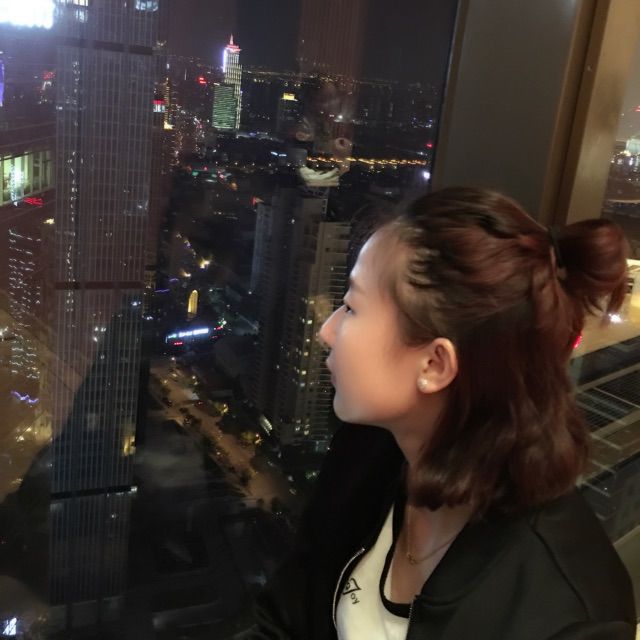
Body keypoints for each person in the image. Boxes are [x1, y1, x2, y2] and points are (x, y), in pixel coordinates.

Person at [251, 187, 637, 640]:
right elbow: (286, 619)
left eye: (352, 307)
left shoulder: (569, 618)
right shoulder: (370, 450)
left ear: (435, 365)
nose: (327, 331)